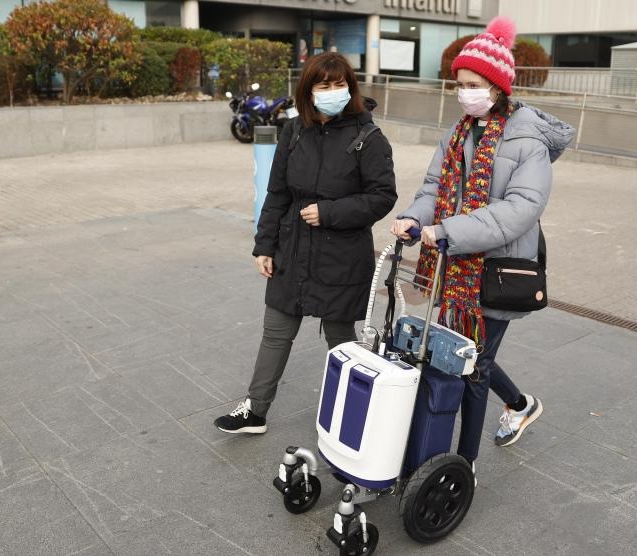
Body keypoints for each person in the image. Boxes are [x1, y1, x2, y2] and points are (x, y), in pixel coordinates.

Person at [390, 17, 575, 467]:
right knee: (467, 353)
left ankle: (464, 466)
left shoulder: (527, 141)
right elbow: (435, 188)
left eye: (473, 84)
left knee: (471, 367)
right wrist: (415, 218)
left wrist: (447, 231)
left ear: (497, 87)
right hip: (456, 268)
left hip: (498, 270)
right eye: (458, 84)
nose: (463, 93)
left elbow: (520, 209)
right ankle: (520, 404)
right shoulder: (457, 133)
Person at [215, 52, 398, 434]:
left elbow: (382, 197)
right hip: (292, 249)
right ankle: (255, 410)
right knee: (276, 331)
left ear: (350, 87)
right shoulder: (294, 132)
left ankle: (350, 415)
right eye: (324, 85)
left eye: (339, 85)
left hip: (340, 256)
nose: (333, 92)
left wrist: (330, 212)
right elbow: (277, 193)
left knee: (340, 339)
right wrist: (264, 246)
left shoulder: (369, 137)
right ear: (308, 90)